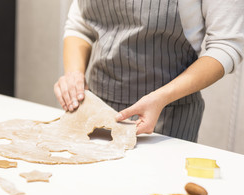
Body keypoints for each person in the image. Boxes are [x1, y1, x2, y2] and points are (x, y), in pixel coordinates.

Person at [54, 0, 244, 142]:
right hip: (95, 116)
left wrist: (161, 97)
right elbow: (80, 26)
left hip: (167, 120)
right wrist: (74, 75)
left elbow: (226, 44)